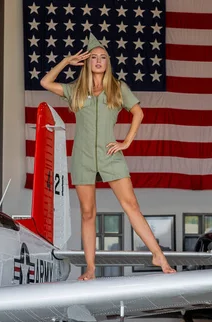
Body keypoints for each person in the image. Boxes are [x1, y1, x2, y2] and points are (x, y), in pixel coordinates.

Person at [40, 33, 175, 280]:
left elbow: (139, 113)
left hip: (110, 154)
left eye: (103, 57)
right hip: (82, 157)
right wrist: (67, 61)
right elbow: (46, 82)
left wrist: (126, 142)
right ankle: (90, 268)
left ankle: (158, 255)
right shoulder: (75, 90)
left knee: (131, 205)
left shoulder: (117, 87)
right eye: (94, 57)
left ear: (108, 62)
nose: (99, 61)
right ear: (88, 62)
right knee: (88, 212)